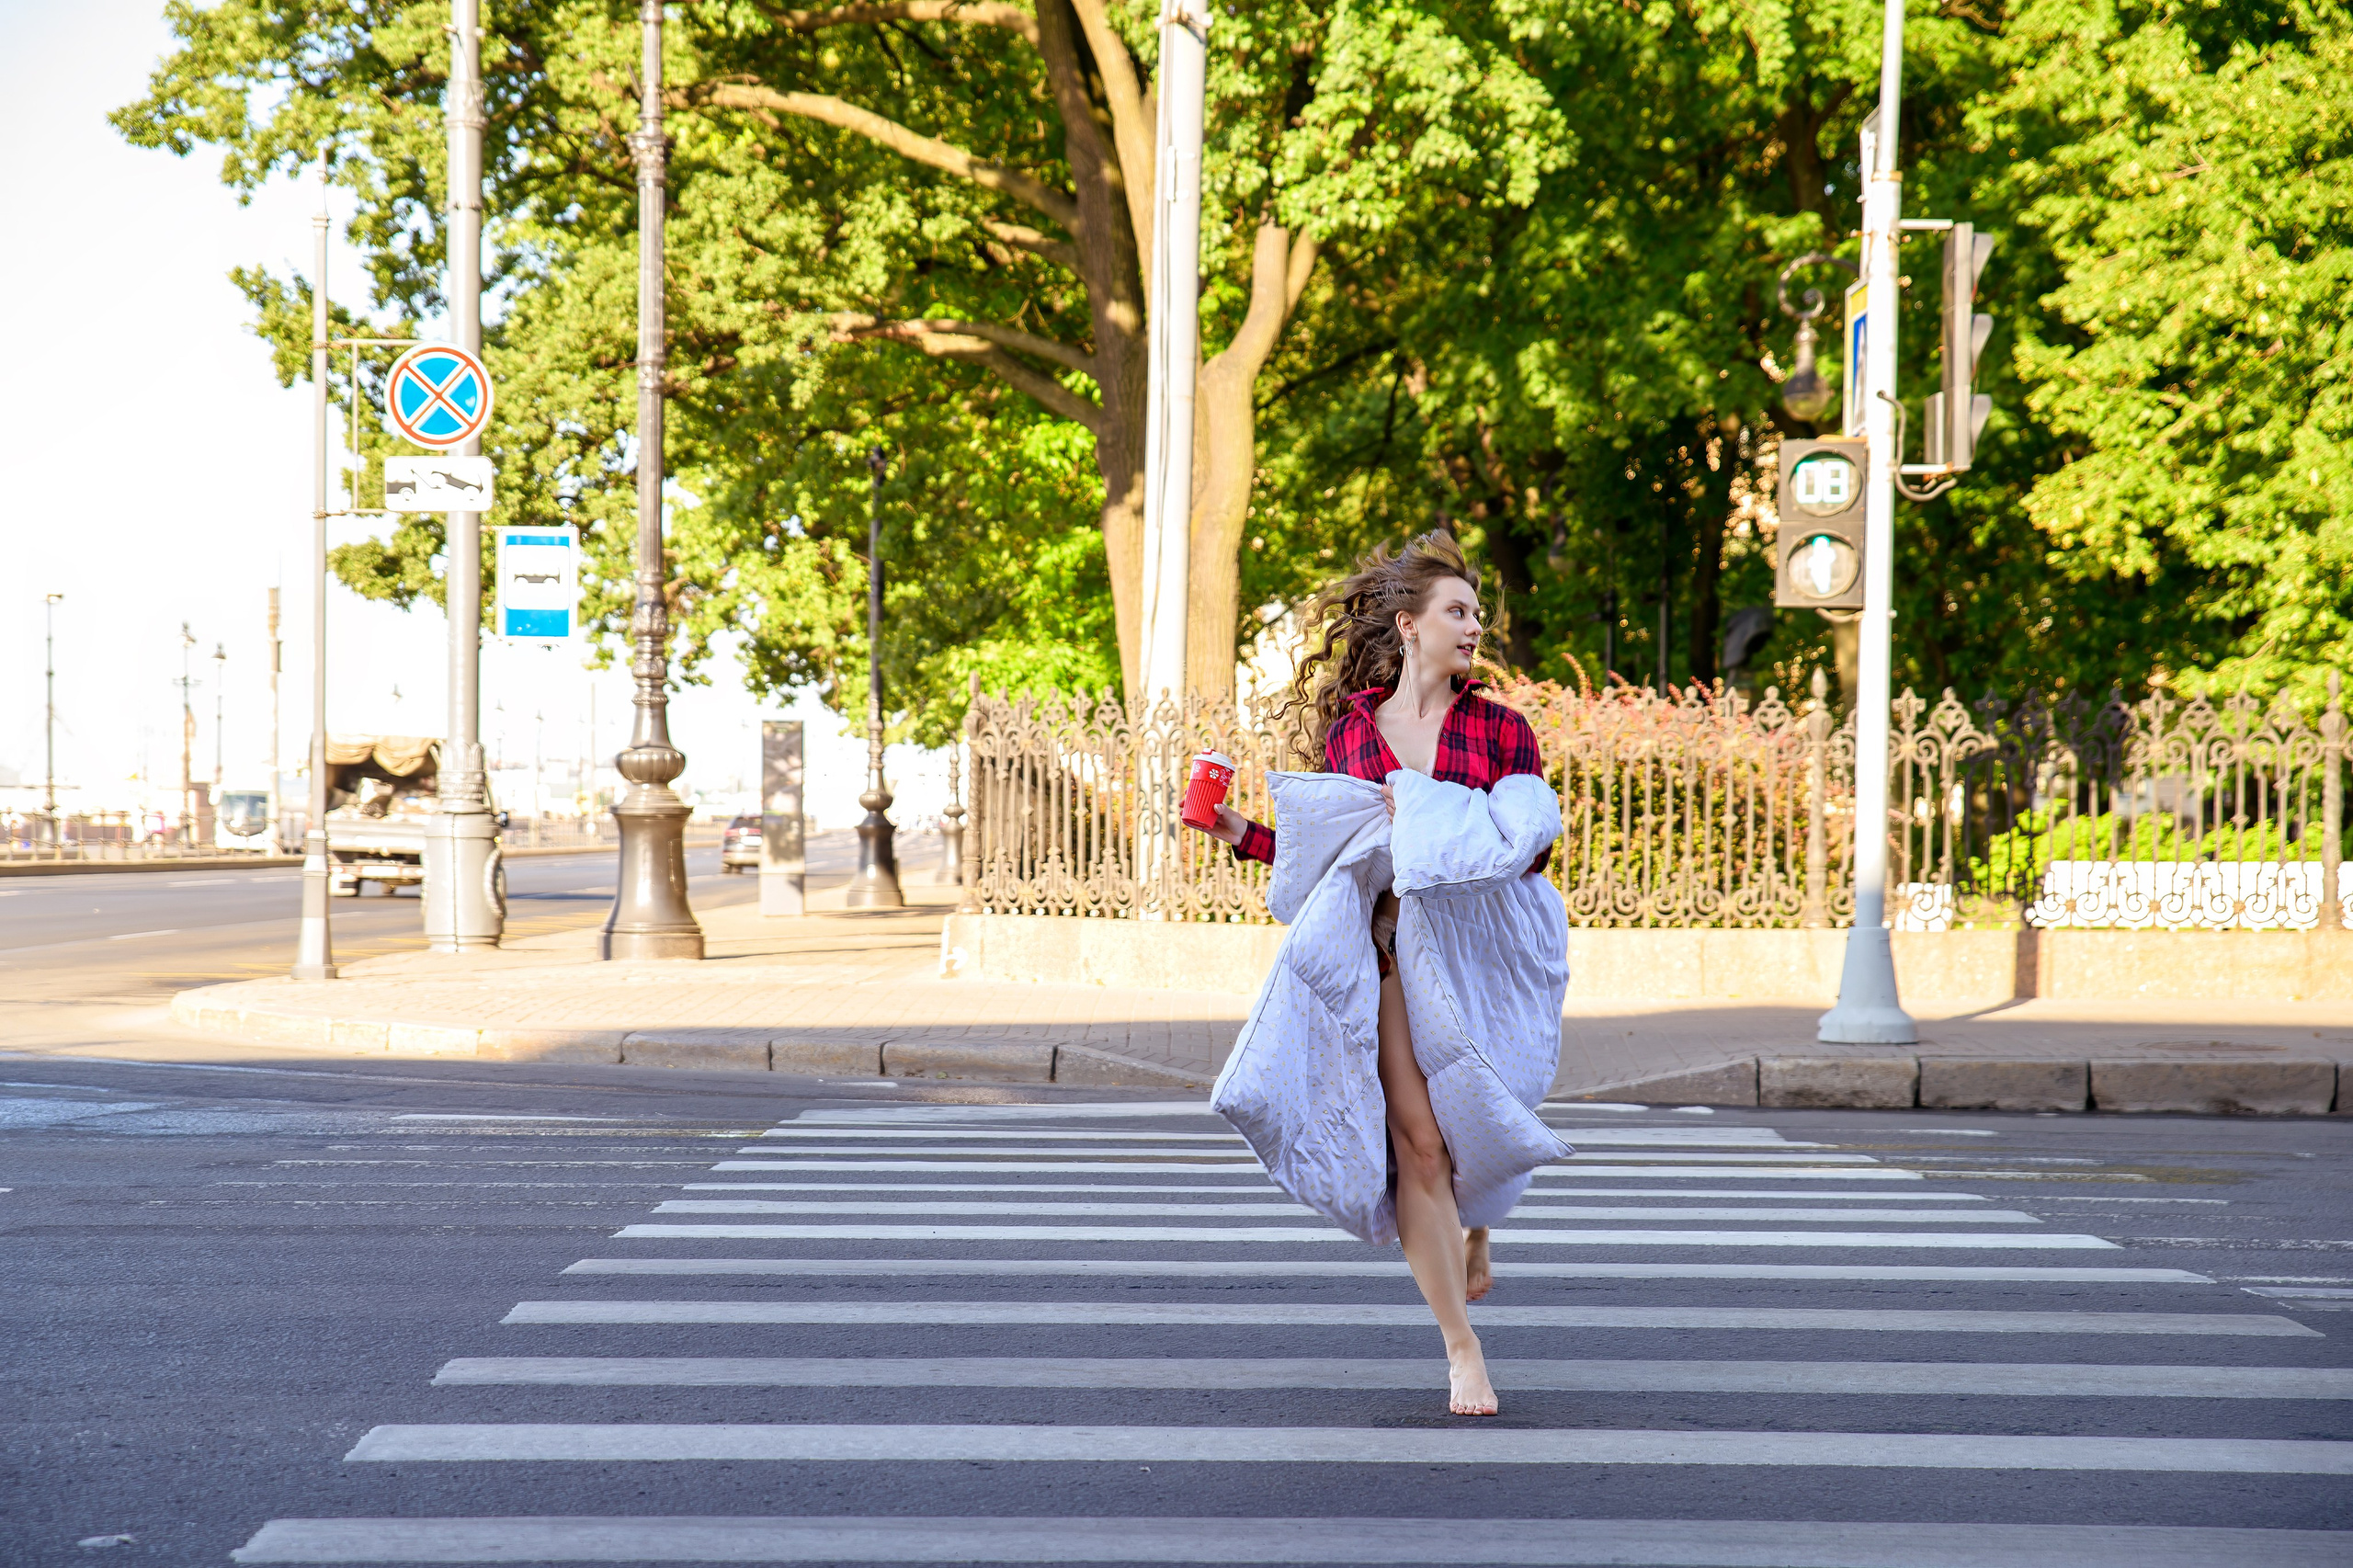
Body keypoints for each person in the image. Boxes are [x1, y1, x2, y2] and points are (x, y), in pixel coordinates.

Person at [1192, 529, 1564, 1416]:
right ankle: (1461, 1349)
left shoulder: (1502, 729)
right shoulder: (1354, 735)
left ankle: (1478, 1228)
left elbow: (1528, 850)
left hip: (1480, 964)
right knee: (1420, 1146)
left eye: (1477, 613)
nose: (1474, 626)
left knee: (1479, 1113)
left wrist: (1433, 814)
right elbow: (1336, 859)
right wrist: (1237, 831)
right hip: (1391, 953)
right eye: (1458, 612)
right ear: (1410, 625)